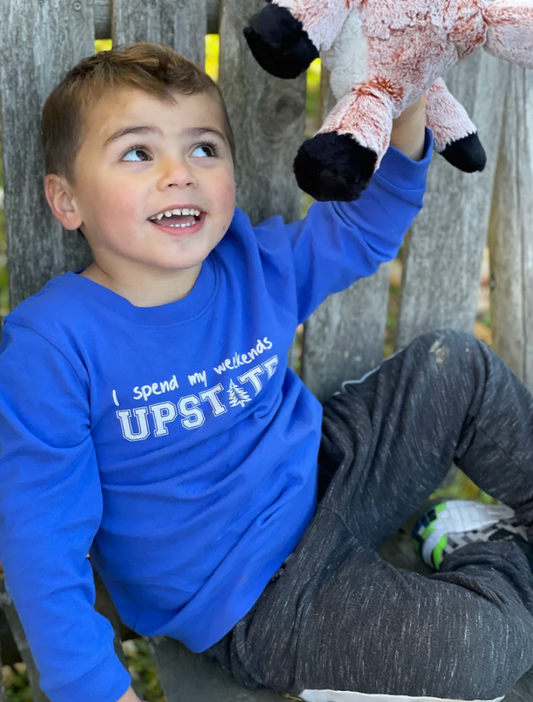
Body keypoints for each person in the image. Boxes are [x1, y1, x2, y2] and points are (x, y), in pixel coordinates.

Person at [0, 41, 531, 702]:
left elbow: (363, 231)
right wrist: (95, 689)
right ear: (66, 199)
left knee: (457, 368)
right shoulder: (53, 344)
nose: (179, 173)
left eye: (203, 148)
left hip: (328, 480)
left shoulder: (251, 265)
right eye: (138, 152)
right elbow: (41, 537)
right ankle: (488, 556)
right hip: (253, 604)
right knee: (484, 650)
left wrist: (409, 89)